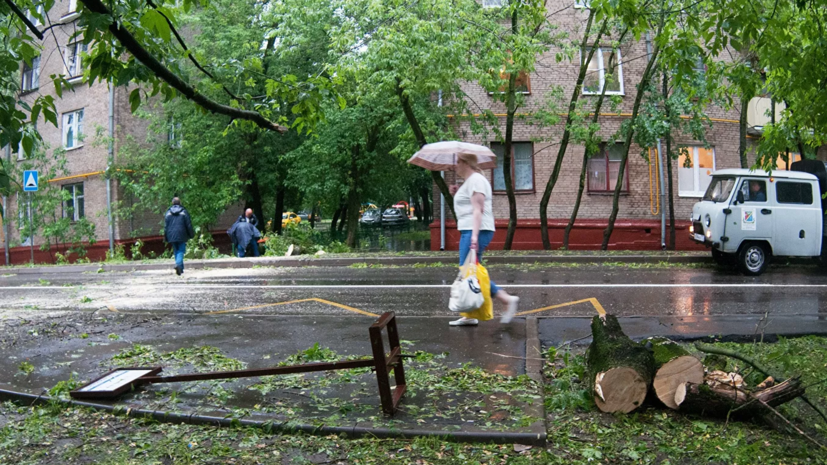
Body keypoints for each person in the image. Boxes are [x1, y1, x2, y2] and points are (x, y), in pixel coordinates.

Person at [448, 152, 519, 326]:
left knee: (468, 270)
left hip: (475, 231)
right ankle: (471, 314)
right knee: (470, 271)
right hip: (471, 230)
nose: (454, 165)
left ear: (466, 162)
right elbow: (468, 207)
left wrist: (474, 236)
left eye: (456, 162)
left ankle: (506, 299)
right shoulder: (470, 182)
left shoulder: (476, 180)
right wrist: (456, 193)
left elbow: (478, 210)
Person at [164, 197, 195, 276]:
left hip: (171, 235)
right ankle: (178, 265)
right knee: (181, 250)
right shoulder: (184, 212)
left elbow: (166, 227)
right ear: (180, 203)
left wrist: (166, 237)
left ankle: (180, 269)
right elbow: (188, 225)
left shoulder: (168, 213)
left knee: (176, 251)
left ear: (172, 203)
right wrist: (191, 234)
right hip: (182, 234)